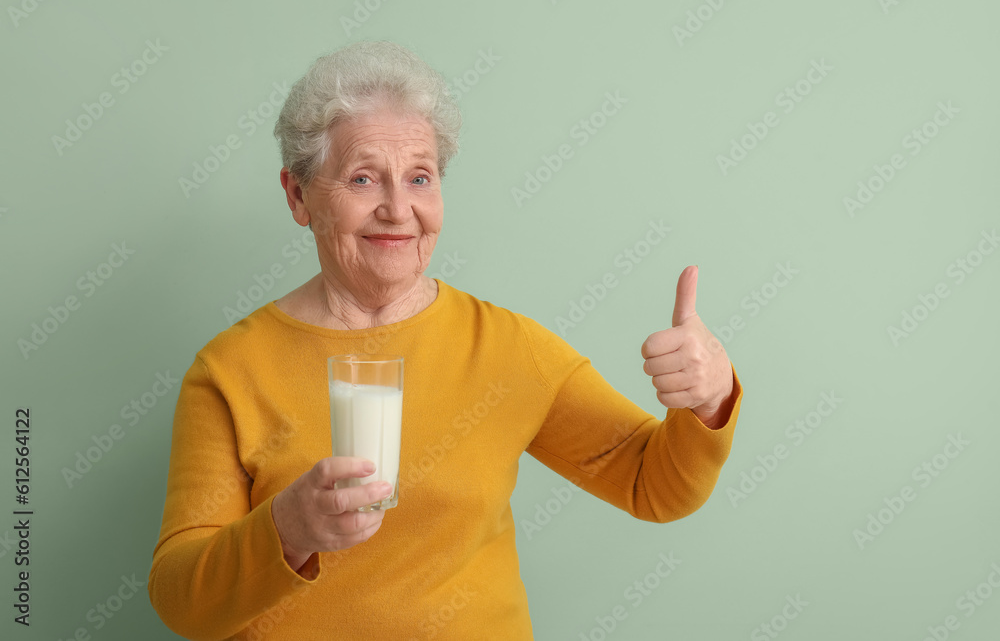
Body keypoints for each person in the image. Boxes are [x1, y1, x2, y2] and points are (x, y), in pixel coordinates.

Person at [147, 40, 743, 640]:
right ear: (298, 195)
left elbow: (655, 486)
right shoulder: (229, 370)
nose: (398, 209)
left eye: (419, 178)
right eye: (362, 179)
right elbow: (182, 602)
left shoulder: (508, 349)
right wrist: (287, 529)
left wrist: (710, 398)